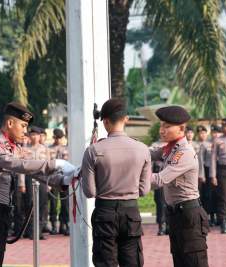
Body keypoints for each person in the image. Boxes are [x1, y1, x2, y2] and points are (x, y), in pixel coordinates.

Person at [0, 102, 75, 267]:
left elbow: (33, 171)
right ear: (10, 123)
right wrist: (55, 164)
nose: (26, 131)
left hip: (1, 213)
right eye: (23, 126)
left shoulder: (13, 148)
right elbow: (19, 165)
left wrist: (63, 181)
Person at [80, 98, 151, 267]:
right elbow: (144, 189)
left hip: (105, 212)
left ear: (105, 121)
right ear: (125, 118)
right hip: (130, 213)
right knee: (132, 261)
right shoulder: (142, 149)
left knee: (106, 261)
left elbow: (90, 192)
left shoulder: (94, 150)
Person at [151, 105, 209, 267]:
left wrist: (127, 180)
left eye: (167, 126)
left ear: (182, 128)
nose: (162, 130)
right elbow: (149, 153)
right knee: (180, 261)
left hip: (189, 216)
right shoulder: (170, 148)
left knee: (194, 262)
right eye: (161, 125)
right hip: (176, 215)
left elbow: (158, 180)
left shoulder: (184, 152)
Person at [23, 126, 50, 240]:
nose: (34, 137)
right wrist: (21, 183)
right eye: (32, 135)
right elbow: (21, 167)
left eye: (36, 135)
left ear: (40, 136)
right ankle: (31, 231)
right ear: (29, 136)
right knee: (30, 204)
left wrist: (49, 182)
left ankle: (39, 230)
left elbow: (49, 167)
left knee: (42, 204)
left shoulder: (45, 149)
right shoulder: (25, 149)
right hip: (30, 177)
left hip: (42, 178)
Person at [48, 128, 70, 235]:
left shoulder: (67, 149)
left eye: (59, 138)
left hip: (64, 178)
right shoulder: (49, 149)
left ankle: (64, 224)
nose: (57, 140)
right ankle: (53, 225)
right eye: (56, 138)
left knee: (65, 203)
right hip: (53, 179)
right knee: (53, 203)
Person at [150, 139, 168, 235]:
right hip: (158, 176)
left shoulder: (174, 144)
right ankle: (162, 225)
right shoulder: (155, 145)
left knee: (171, 203)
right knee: (160, 203)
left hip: (171, 176)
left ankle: (169, 225)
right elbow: (150, 162)